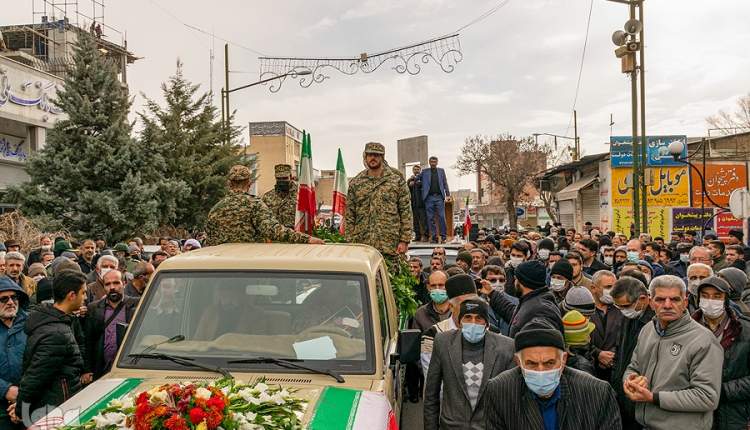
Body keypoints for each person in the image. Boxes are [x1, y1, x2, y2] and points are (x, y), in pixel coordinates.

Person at [623, 275, 723, 430]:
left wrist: (653, 398)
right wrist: (630, 381)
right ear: (650, 302)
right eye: (660, 299)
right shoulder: (648, 329)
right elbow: (634, 366)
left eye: (675, 299)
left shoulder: (703, 340)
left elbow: (707, 397)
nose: (667, 305)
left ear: (685, 302)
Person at [484, 318, 622, 429]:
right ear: (518, 362)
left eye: (549, 363)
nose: (541, 371)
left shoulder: (597, 393)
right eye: (531, 363)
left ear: (563, 360)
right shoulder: (499, 390)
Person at [424, 299, 515, 429]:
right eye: (468, 317)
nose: (473, 323)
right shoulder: (442, 342)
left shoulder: (507, 347)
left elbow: (512, 399)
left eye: (479, 318)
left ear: (486, 323)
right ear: (459, 321)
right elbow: (431, 395)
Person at [12, 270, 87, 425]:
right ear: (71, 295)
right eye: (83, 293)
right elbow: (35, 376)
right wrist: (21, 409)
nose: (85, 298)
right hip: (55, 410)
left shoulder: (59, 322)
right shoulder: (57, 333)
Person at [205, 165, 321, 245]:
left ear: (229, 184)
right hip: (251, 264)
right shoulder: (255, 205)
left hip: (223, 268)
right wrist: (307, 239)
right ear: (249, 183)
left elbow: (209, 241)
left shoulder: (215, 209)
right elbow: (273, 230)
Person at [691, 276, 750, 429]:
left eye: (717, 296)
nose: (711, 301)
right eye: (705, 296)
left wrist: (721, 391)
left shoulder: (745, 330)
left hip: (734, 414)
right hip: (694, 413)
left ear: (725, 299)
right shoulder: (686, 329)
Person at [345, 143, 412, 264]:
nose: (373, 158)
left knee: (391, 280)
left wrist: (404, 240)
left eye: (377, 155)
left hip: (389, 244)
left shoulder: (396, 181)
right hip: (362, 244)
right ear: (365, 157)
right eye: (370, 155)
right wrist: (350, 241)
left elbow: (406, 212)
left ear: (382, 157)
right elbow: (350, 215)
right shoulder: (356, 183)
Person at [610, 275, 654, 430]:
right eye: (619, 307)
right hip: (623, 390)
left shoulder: (655, 323)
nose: (623, 311)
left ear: (642, 299)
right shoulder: (627, 316)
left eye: (626, 306)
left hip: (642, 394)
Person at [487, 260, 563, 338]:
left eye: (516, 279)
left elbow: (542, 345)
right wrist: (491, 293)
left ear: (522, 282)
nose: (514, 282)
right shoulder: (532, 302)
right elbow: (516, 315)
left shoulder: (542, 310)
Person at [421, 274, 478, 377]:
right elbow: (432, 378)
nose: (470, 308)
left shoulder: (492, 331)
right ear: (451, 307)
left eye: (474, 303)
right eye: (464, 304)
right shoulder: (432, 335)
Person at [84, 270, 138, 379]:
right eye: (107, 284)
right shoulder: (93, 308)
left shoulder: (137, 304)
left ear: (124, 283)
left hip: (129, 368)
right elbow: (88, 341)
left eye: (116, 283)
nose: (112, 287)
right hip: (101, 370)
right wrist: (87, 369)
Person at [0, 277, 28, 430]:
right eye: (4, 299)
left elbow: (42, 362)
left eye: (14, 297)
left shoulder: (32, 324)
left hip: (31, 402)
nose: (11, 302)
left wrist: (24, 397)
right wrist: (5, 390)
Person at [586, 270, 624, 381]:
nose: (612, 291)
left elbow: (625, 337)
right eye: (608, 287)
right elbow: (578, 340)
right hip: (590, 371)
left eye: (615, 287)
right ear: (593, 288)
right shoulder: (584, 309)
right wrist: (598, 354)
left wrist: (612, 355)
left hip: (615, 370)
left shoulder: (622, 309)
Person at [419, 156, 451, 243]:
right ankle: (433, 237)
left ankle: (443, 236)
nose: (433, 163)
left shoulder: (441, 171)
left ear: (437, 162)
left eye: (434, 162)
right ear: (429, 162)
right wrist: (412, 179)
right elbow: (418, 178)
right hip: (429, 198)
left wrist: (448, 194)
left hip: (439, 197)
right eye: (431, 162)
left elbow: (445, 183)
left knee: (441, 217)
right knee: (430, 218)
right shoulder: (425, 171)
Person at [261, 164, 298, 229]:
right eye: (278, 178)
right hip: (274, 236)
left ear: (291, 177)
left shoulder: (300, 195)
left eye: (284, 178)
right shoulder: (267, 197)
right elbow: (262, 219)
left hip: (296, 235)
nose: (282, 181)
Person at [561, 310, 596, 375]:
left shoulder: (562, 354)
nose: (590, 337)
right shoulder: (582, 365)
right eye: (588, 333)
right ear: (585, 338)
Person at [407, 164, 428, 242]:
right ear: (413, 171)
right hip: (414, 203)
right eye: (415, 169)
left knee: (423, 221)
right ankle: (417, 236)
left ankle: (425, 235)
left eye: (417, 169)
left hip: (422, 203)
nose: (416, 171)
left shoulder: (423, 179)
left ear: (420, 170)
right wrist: (410, 182)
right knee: (415, 221)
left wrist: (416, 180)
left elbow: (423, 186)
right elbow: (407, 188)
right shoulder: (410, 180)